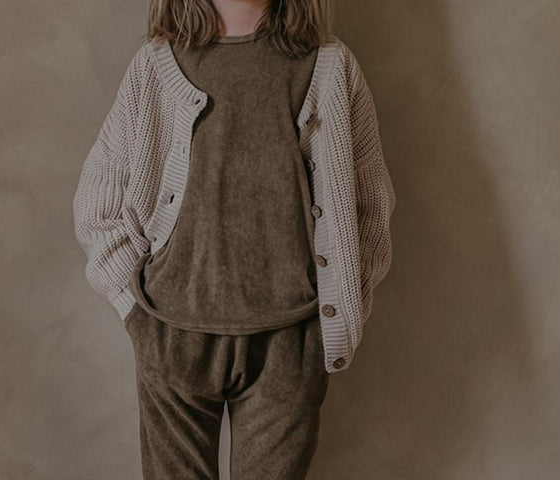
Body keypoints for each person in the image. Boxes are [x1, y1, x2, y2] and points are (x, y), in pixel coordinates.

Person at [72, 0, 396, 478]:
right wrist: (135, 312)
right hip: (171, 333)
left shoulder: (330, 66)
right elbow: (98, 203)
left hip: (290, 342)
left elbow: (368, 207)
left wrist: (331, 315)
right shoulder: (155, 67)